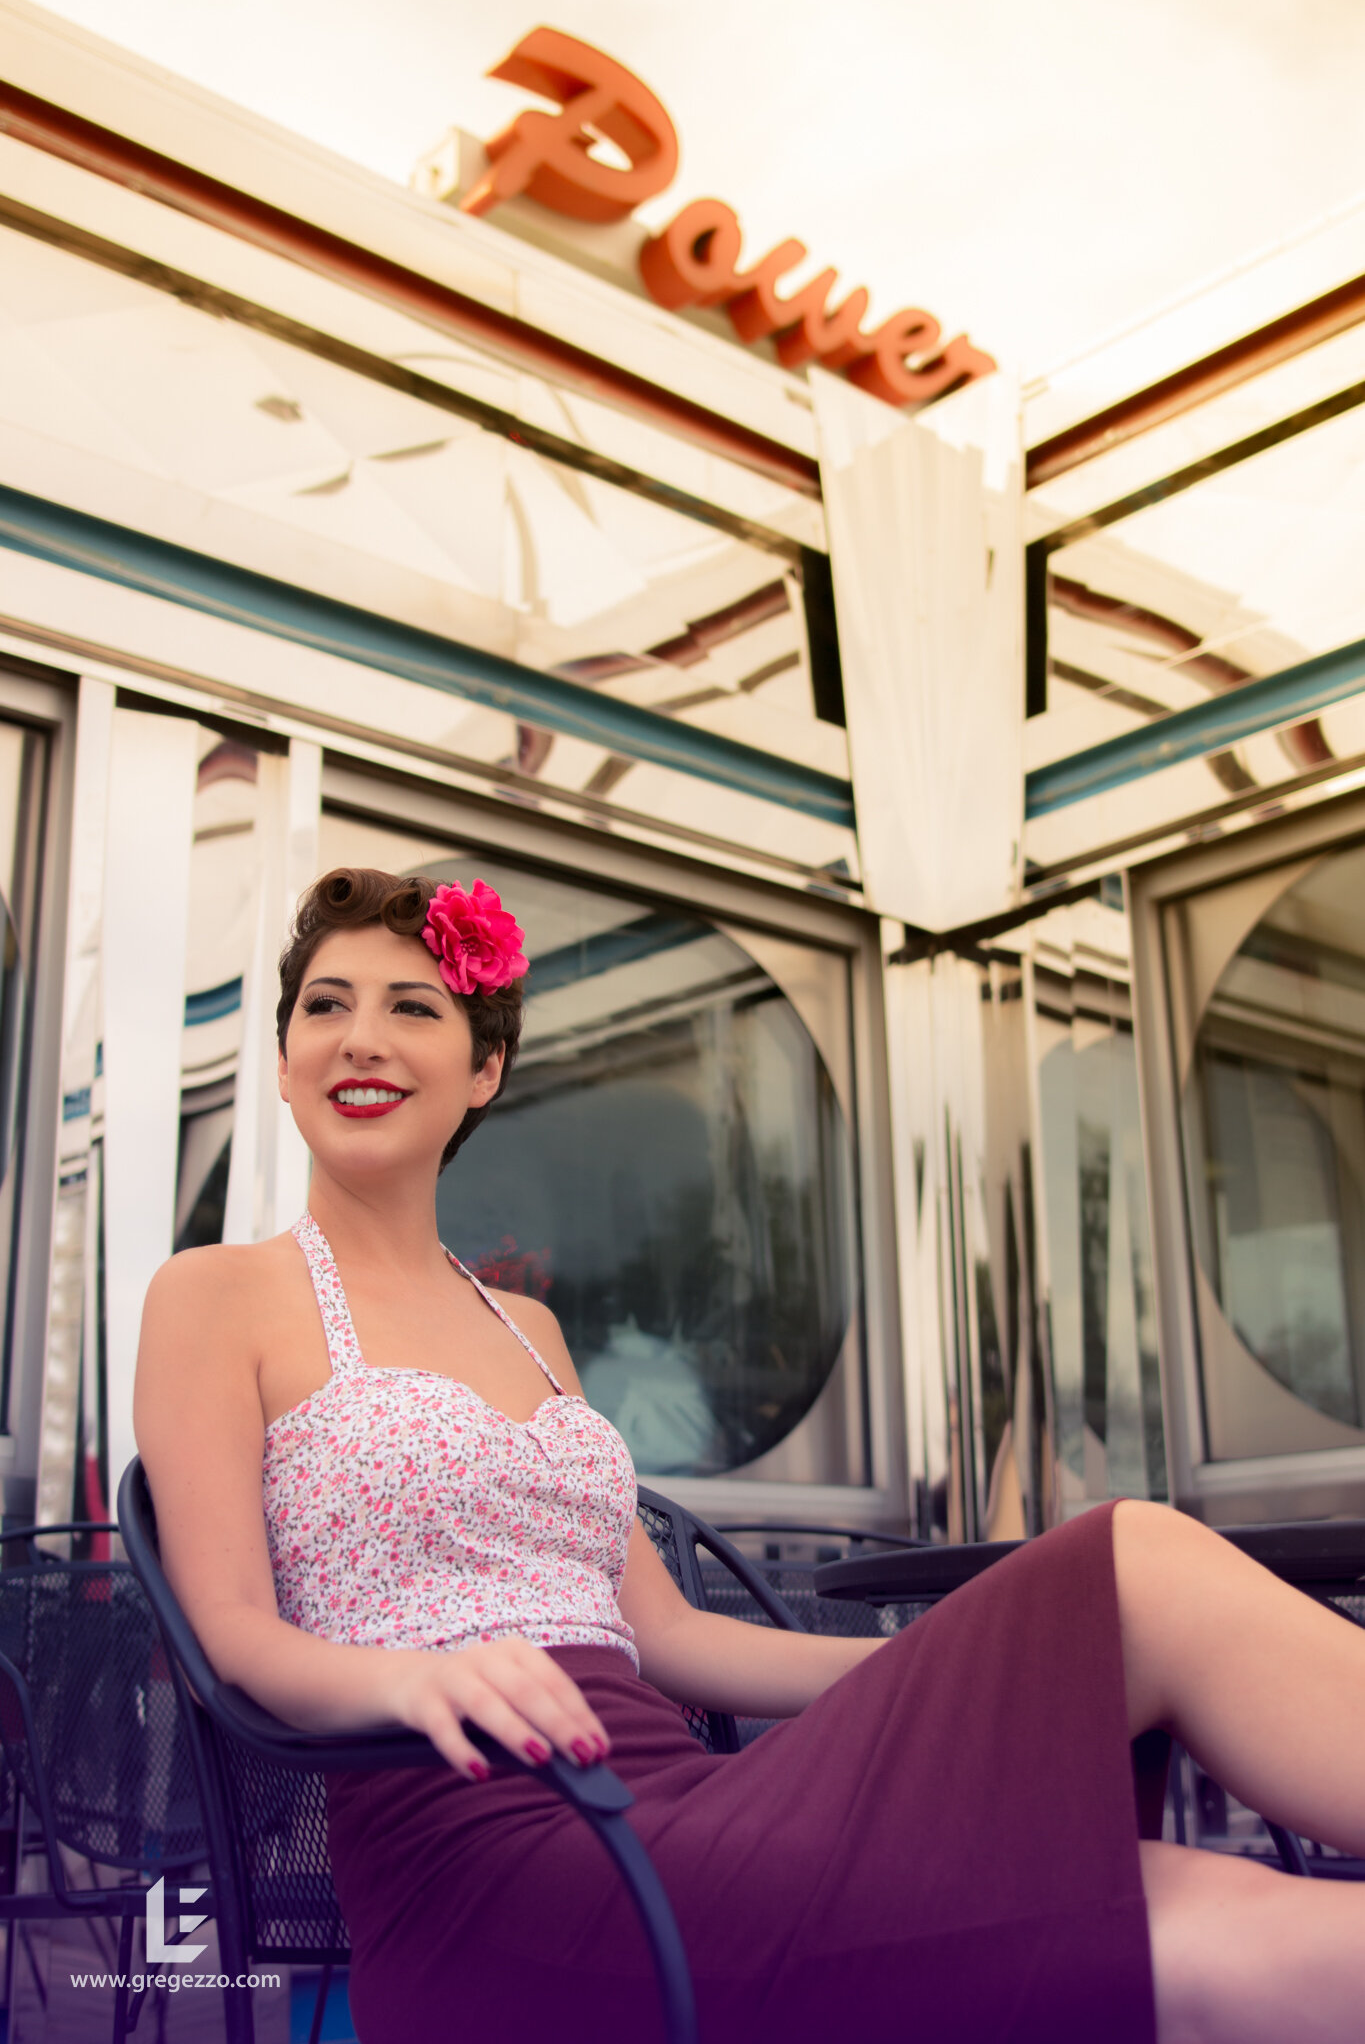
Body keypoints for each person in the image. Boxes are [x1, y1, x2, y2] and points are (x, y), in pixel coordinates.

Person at [135, 866, 1365, 2044]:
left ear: (484, 1070)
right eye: (325, 1007)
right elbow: (233, 1636)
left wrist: (918, 1669)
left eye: (413, 1005)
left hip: (686, 1804)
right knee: (1139, 1587)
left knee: (1219, 1894)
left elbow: (668, 1639)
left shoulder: (530, 1326)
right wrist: (404, 1679)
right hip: (499, 1863)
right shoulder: (215, 1295)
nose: (361, 1036)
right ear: (287, 1066)